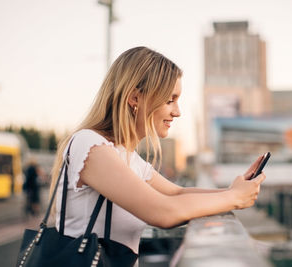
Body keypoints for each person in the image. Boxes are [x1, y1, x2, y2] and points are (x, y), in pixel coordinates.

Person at [49, 46, 266, 261]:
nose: (177, 111)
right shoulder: (89, 145)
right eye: (169, 100)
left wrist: (231, 189)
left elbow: (177, 194)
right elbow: (164, 212)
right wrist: (234, 198)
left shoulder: (130, 159)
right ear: (135, 98)